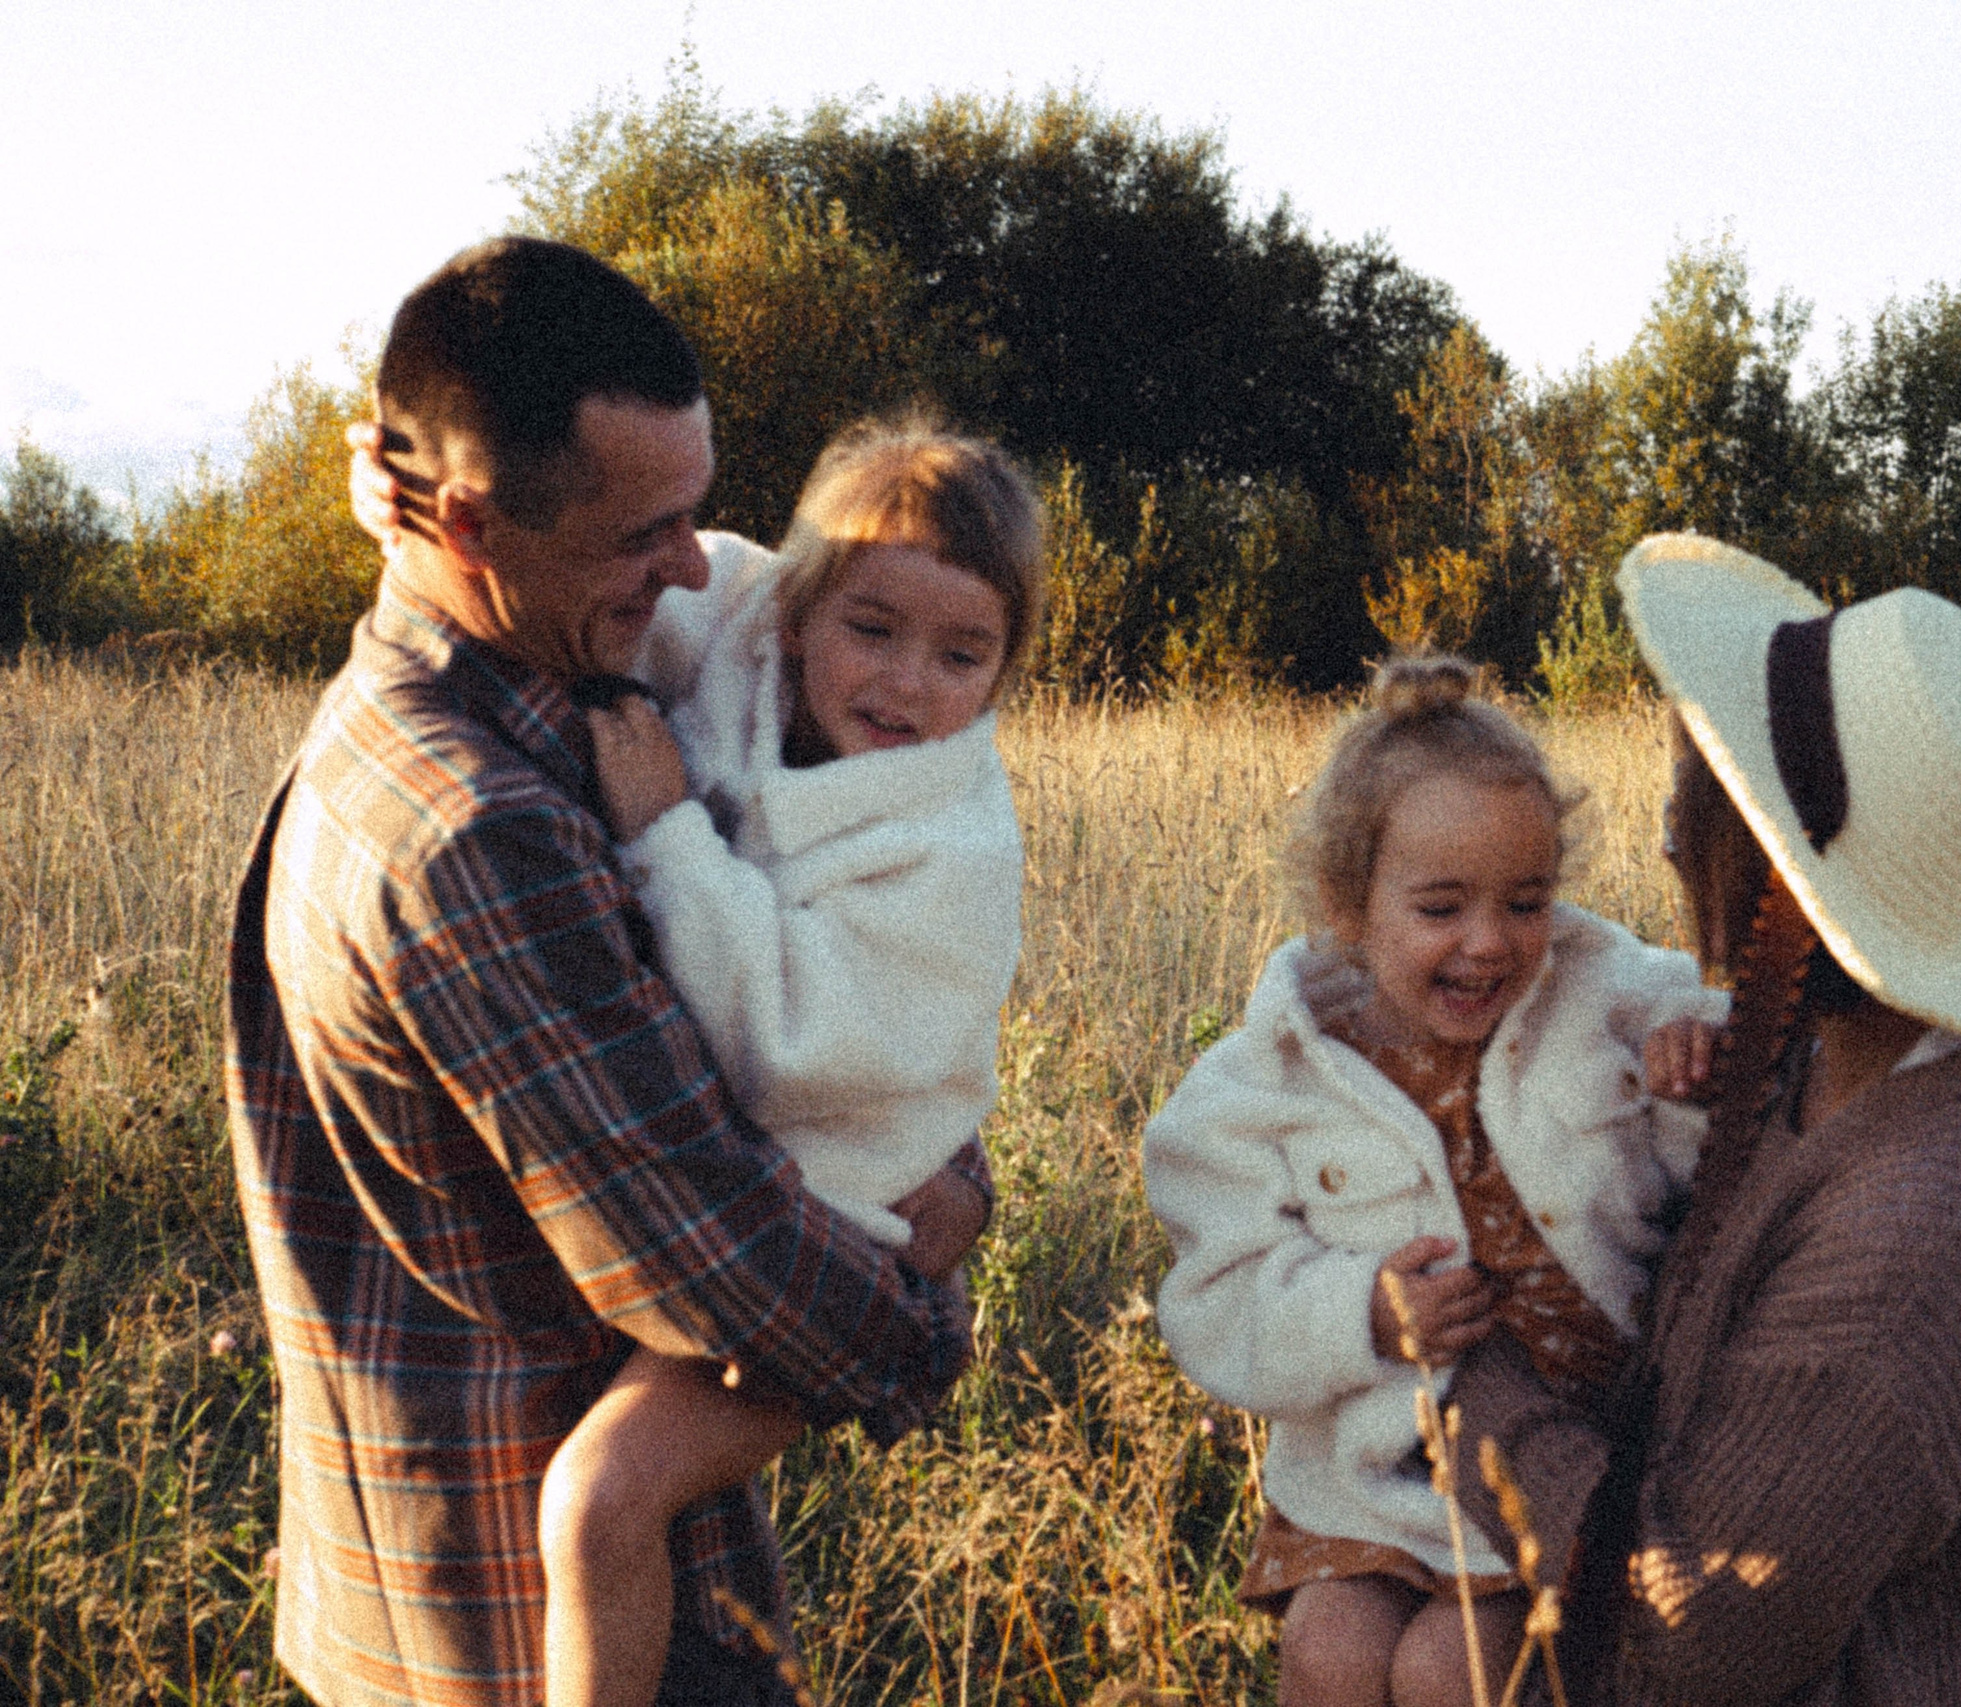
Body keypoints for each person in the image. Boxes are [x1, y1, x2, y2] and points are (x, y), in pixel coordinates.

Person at [227, 236, 987, 1707]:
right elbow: (720, 1257)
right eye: (646, 530)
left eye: (695, 511)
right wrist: (932, 1264)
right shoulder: (479, 830)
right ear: (468, 523)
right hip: (530, 1626)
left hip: (416, 1589)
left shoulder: (459, 690)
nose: (692, 565)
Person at [1444, 533, 1961, 1707]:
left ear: (1778, 872)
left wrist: (1465, 1385)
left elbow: (1687, 1638)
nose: (1664, 837)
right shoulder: (1819, 1048)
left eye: (1693, 797)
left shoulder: (1927, 1221)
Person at [537, 421, 1044, 1707]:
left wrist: (666, 836)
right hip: (707, 1203)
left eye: (962, 654)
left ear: (1003, 668)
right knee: (663, 1539)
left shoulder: (955, 848)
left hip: (843, 1241)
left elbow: (787, 1052)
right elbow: (623, 581)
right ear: (798, 609)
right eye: (872, 628)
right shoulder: (742, 624)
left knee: (601, 1498)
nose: (906, 682)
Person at [1143, 657, 1729, 1707]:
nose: (1488, 943)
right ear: (1349, 905)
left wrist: (1687, 1063)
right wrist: (1358, 1314)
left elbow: (1712, 1105)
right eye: (1441, 907)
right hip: (1373, 1476)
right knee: (1328, 1651)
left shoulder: (1603, 992)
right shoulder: (1272, 1079)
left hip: (1561, 1456)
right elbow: (1213, 1296)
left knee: (1447, 1671)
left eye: (1526, 901)